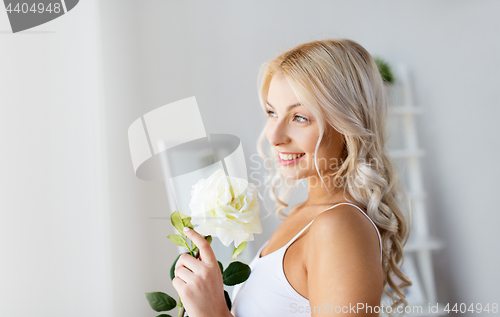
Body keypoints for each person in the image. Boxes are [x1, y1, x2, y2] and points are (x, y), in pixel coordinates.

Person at [172, 38, 412, 317]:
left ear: (347, 122)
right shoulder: (305, 215)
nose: (274, 136)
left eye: (300, 117)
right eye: (272, 113)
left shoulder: (339, 227)